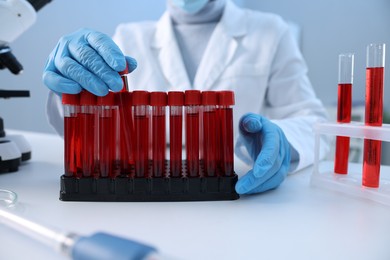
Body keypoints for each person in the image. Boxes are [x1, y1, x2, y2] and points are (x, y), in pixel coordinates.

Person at [43, 0, 329, 195]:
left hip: (233, 192)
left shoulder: (270, 30)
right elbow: (96, 131)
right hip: (144, 192)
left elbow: (311, 120)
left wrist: (283, 141)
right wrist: (68, 89)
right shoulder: (129, 37)